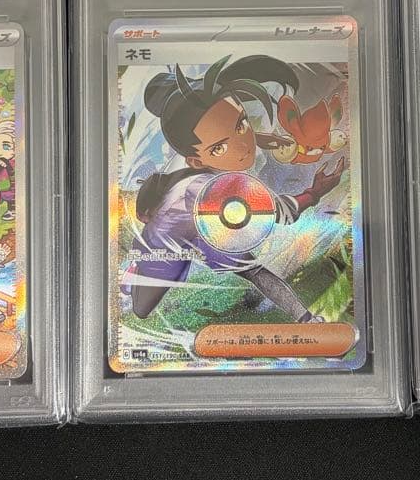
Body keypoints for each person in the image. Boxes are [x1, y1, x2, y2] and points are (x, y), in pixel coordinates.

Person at [127, 55, 344, 323]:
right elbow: (282, 213)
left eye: (242, 123)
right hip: (167, 243)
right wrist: (315, 193)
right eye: (219, 148)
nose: (244, 147)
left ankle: (306, 320)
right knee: (141, 308)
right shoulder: (208, 188)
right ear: (197, 160)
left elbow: (224, 137)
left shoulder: (191, 152)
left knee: (253, 270)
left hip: (187, 226)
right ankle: (134, 278)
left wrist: (262, 139)